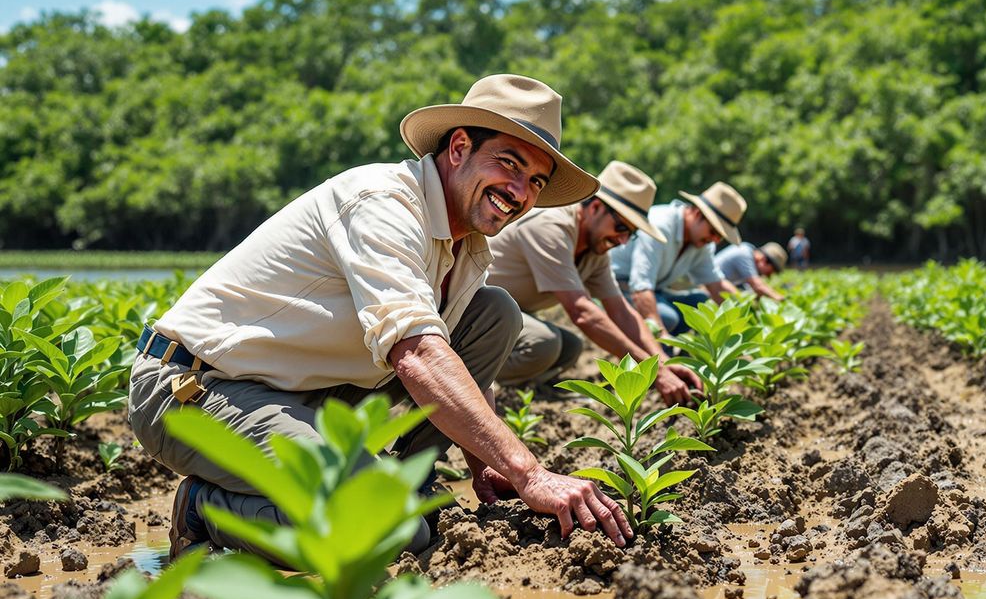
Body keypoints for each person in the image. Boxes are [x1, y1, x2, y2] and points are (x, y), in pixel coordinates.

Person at [128, 74, 634, 564]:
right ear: (458, 148)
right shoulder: (384, 203)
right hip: (198, 387)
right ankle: (203, 509)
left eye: (536, 182)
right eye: (509, 164)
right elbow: (417, 354)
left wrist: (486, 467)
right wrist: (530, 474)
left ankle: (406, 481)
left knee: (495, 313)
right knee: (380, 528)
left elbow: (460, 359)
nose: (519, 191)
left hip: (300, 390)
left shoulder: (469, 247)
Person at [486, 161, 702, 404]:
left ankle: (529, 391)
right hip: (475, 309)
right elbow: (582, 312)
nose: (622, 241)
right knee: (543, 344)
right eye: (621, 227)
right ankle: (480, 379)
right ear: (596, 207)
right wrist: (655, 374)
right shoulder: (551, 226)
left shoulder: (595, 249)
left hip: (511, 314)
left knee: (570, 348)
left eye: (630, 234)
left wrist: (663, 362)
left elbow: (621, 311)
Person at [609, 181, 746, 334]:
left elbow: (716, 285)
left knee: (702, 304)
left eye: (720, 237)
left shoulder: (701, 243)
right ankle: (657, 353)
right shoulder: (660, 226)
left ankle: (678, 353)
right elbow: (640, 288)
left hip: (655, 290)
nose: (714, 239)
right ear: (697, 213)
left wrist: (747, 314)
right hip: (618, 287)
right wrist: (662, 336)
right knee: (667, 318)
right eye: (714, 231)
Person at [714, 241, 788, 301]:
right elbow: (758, 286)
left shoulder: (747, 251)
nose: (769, 275)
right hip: (705, 289)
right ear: (764, 260)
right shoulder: (744, 254)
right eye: (770, 272)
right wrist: (779, 298)